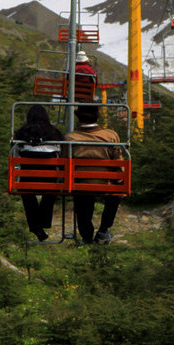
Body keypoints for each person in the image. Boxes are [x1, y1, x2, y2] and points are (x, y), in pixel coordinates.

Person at [65, 105, 122, 244]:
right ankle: (103, 230)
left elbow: (63, 162)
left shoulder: (69, 138)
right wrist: (120, 180)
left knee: (82, 197)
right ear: (98, 115)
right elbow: (119, 163)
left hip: (80, 184)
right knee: (116, 193)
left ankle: (86, 236)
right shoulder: (110, 136)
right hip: (105, 184)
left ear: (78, 116)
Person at [13, 104, 63, 242]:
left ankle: (36, 227)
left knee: (27, 193)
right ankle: (43, 222)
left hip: (28, 180)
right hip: (49, 180)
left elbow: (16, 154)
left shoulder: (21, 134)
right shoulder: (55, 133)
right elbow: (59, 153)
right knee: (51, 192)